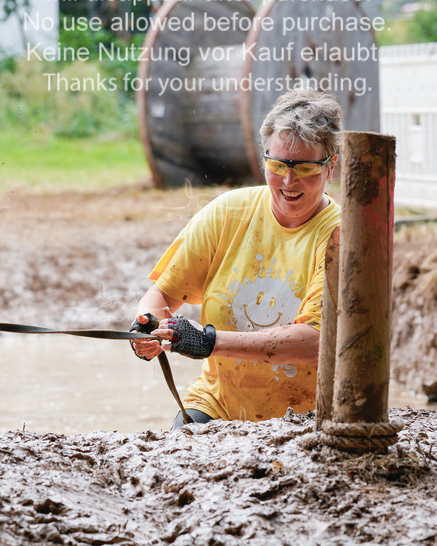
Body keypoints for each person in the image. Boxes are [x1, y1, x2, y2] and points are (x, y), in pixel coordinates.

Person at [130, 87, 343, 427]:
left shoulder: (338, 236)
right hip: (218, 402)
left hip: (307, 413)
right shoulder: (227, 213)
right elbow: (160, 296)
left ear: (330, 167)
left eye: (304, 168)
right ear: (264, 161)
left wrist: (208, 341)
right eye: (278, 165)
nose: (288, 180)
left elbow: (315, 342)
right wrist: (148, 329)